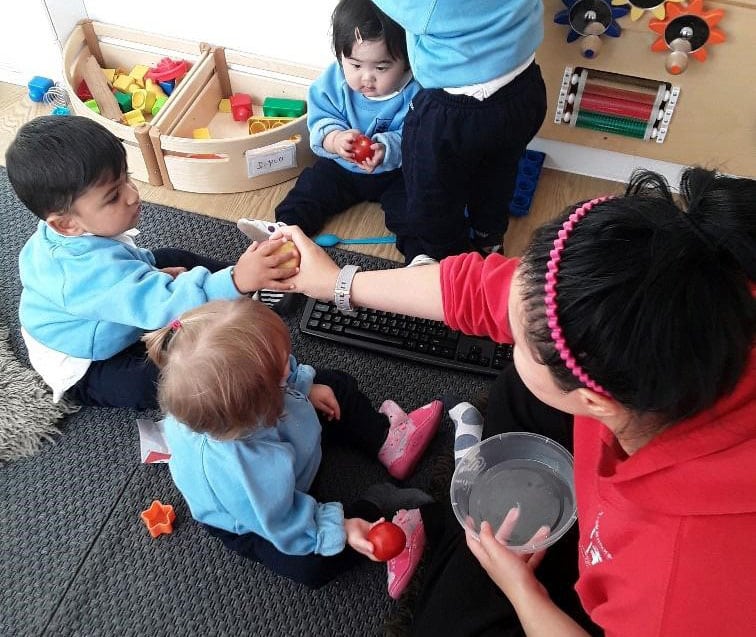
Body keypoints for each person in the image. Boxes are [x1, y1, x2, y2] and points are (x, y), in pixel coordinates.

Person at [282, 166, 756, 635]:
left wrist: (523, 592)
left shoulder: (682, 589)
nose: (505, 330)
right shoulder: (709, 274)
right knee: (520, 389)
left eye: (519, 340)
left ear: (598, 403)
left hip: (643, 579)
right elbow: (484, 293)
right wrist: (337, 284)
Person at [142, 297, 444, 592]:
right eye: (282, 371)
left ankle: (387, 440)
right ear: (258, 407)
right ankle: (376, 510)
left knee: (332, 386)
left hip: (287, 440)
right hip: (265, 511)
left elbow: (284, 377)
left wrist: (303, 385)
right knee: (310, 565)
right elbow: (284, 521)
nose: (291, 365)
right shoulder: (243, 469)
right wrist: (342, 528)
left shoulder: (237, 396)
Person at [6, 115, 297, 410]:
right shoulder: (85, 271)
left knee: (171, 258)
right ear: (67, 225)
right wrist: (235, 281)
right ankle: (242, 283)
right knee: (170, 379)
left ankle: (252, 282)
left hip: (104, 311)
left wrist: (153, 272)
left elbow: (123, 271)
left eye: (126, 177)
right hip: (87, 361)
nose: (133, 196)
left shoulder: (72, 234)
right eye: (113, 196)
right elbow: (156, 303)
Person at [237, 0, 424, 264]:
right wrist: (335, 139)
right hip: (341, 168)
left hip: (397, 173)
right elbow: (321, 120)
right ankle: (282, 233)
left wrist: (385, 148)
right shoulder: (332, 83)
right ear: (341, 57)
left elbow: (419, 138)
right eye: (355, 66)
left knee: (417, 213)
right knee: (308, 191)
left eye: (381, 68)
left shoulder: (418, 90)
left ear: (406, 60)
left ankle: (423, 260)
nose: (366, 78)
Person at [367, 0, 548, 262]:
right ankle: (489, 238)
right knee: (497, 174)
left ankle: (452, 262)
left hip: (454, 112)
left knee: (430, 201)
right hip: (525, 90)